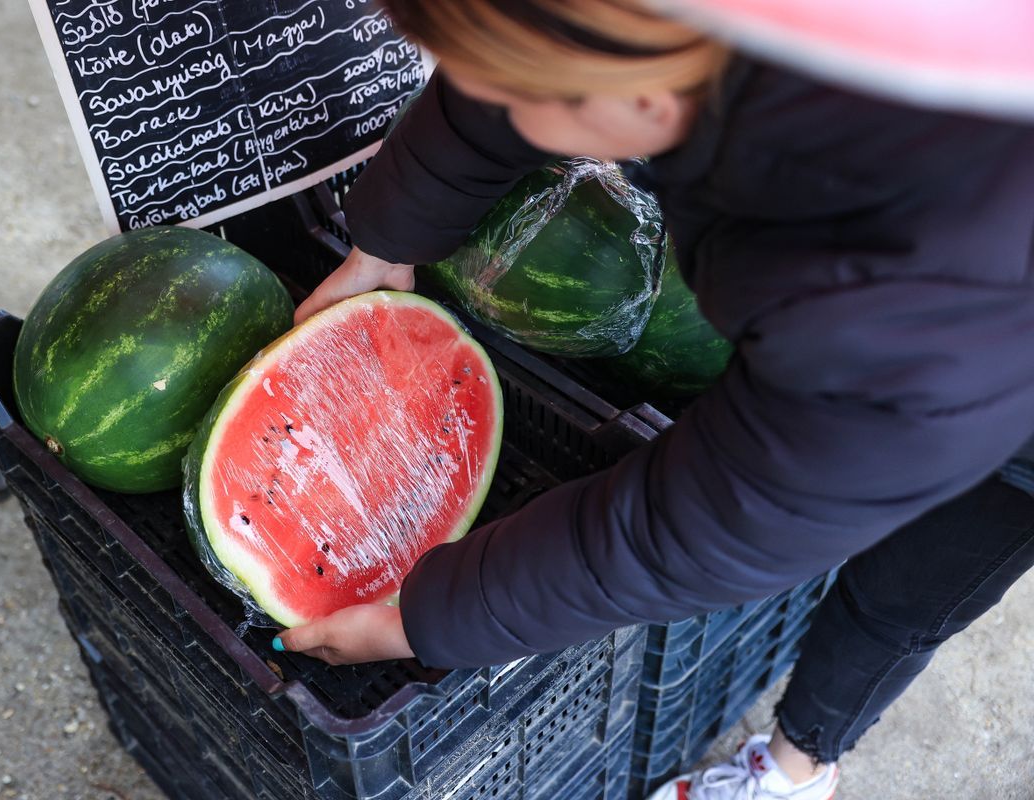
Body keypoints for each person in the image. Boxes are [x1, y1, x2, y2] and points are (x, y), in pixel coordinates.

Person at [272, 1, 1034, 797]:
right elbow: (527, 44)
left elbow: (702, 525)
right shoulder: (696, 47)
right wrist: (388, 238)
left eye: (515, 90)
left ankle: (799, 766)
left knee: (905, 596)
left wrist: (423, 619)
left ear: (642, 98)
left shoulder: (903, 304)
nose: (483, 93)